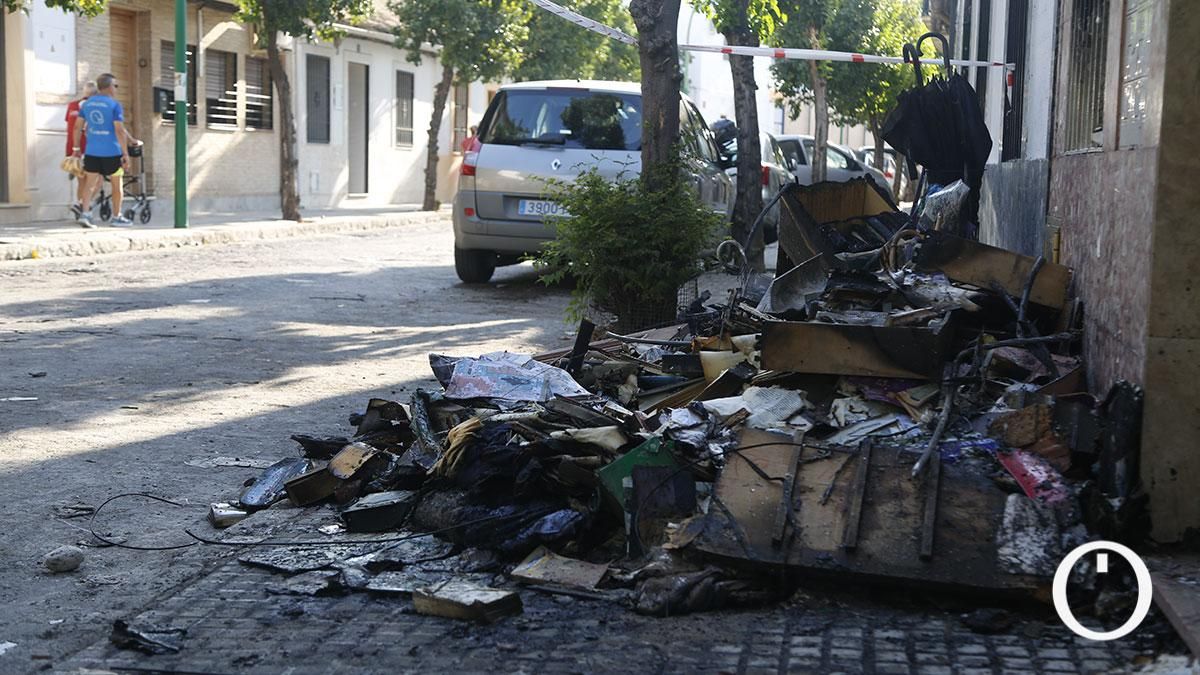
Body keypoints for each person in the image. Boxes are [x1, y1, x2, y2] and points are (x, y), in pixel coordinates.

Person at [72, 73, 140, 228]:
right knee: (117, 185)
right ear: (109, 87)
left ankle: (85, 214)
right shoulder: (114, 105)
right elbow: (119, 130)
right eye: (115, 86)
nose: (116, 89)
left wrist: (76, 148)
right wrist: (125, 153)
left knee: (89, 183)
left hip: (92, 151)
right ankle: (116, 217)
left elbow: (77, 127)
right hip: (112, 152)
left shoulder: (87, 104)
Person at [66, 81, 97, 219]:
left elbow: (71, 125)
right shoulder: (93, 107)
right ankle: (84, 207)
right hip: (89, 148)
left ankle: (81, 206)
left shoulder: (72, 105)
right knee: (95, 180)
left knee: (81, 181)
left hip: (72, 148)